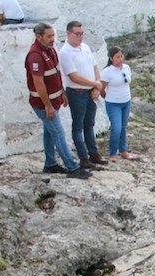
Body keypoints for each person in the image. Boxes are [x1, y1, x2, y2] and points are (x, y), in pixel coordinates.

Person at [25, 22, 92, 179]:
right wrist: (47, 105)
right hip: (43, 104)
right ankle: (72, 167)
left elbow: (55, 74)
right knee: (58, 133)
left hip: (53, 101)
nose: (52, 39)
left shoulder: (50, 50)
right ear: (38, 36)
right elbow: (38, 82)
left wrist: (61, 92)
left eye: (53, 35)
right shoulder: (35, 55)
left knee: (50, 132)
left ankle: (50, 163)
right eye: (48, 36)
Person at [60, 21, 107, 169]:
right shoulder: (65, 52)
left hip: (89, 92)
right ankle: (83, 157)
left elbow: (95, 68)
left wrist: (97, 87)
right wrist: (95, 84)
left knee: (89, 124)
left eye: (82, 34)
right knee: (78, 126)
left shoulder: (85, 47)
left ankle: (93, 154)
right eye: (77, 34)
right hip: (76, 93)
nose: (80, 37)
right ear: (68, 34)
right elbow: (74, 77)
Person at [100, 46, 134, 162]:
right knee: (116, 127)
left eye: (121, 56)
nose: (120, 59)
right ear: (111, 58)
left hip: (126, 101)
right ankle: (113, 153)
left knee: (123, 127)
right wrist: (107, 97)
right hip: (113, 103)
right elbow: (102, 88)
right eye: (117, 57)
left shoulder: (126, 68)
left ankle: (123, 150)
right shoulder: (107, 72)